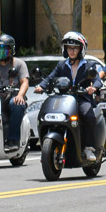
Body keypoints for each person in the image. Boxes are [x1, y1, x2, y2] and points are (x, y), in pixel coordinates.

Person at [39, 31, 104, 161]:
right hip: (64, 99)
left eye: (75, 48)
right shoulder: (61, 65)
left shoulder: (88, 66)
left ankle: (89, 148)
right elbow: (50, 77)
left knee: (88, 115)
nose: (72, 51)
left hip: (81, 99)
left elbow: (97, 79)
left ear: (81, 49)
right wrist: (41, 85)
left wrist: (93, 87)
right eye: (69, 48)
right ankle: (48, 147)